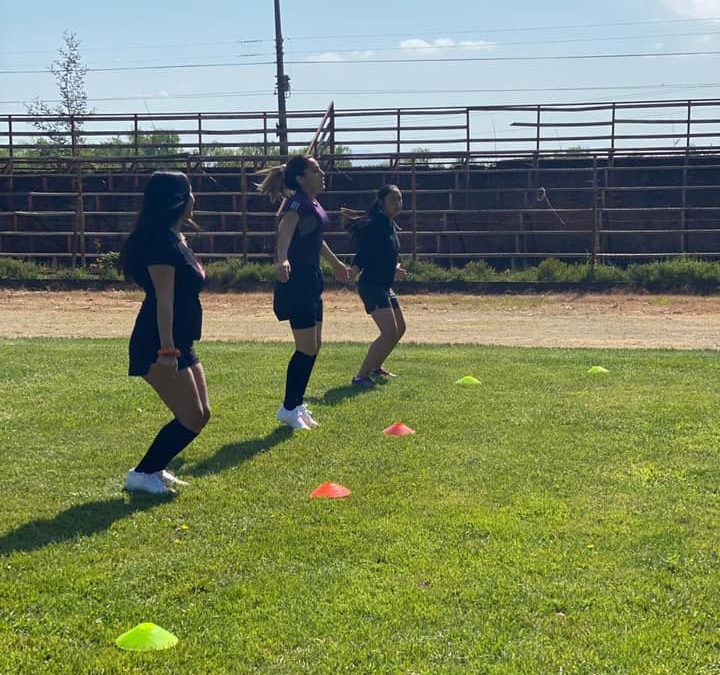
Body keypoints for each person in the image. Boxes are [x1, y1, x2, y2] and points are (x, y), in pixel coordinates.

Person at [118, 171, 210, 494]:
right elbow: (163, 300)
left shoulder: (177, 238)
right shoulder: (161, 243)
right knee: (190, 417)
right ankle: (142, 474)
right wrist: (167, 351)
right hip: (158, 343)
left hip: (180, 340)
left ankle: (153, 470)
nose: (194, 198)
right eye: (189, 192)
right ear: (177, 200)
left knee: (201, 416)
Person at [257, 155, 350, 430]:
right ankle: (288, 407)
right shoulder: (296, 202)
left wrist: (335, 264)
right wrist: (282, 258)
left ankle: (296, 404)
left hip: (312, 278)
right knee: (306, 347)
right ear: (300, 177)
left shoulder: (314, 203)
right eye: (315, 169)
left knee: (315, 345)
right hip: (297, 279)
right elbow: (285, 229)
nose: (322, 173)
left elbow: (315, 238)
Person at [343, 184, 407, 388]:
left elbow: (385, 254)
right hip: (372, 285)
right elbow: (363, 254)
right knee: (389, 332)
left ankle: (376, 367)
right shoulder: (375, 226)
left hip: (385, 285)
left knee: (400, 328)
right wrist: (353, 270)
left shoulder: (389, 225)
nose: (398, 204)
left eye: (399, 199)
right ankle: (360, 376)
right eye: (393, 200)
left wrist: (394, 267)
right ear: (382, 203)